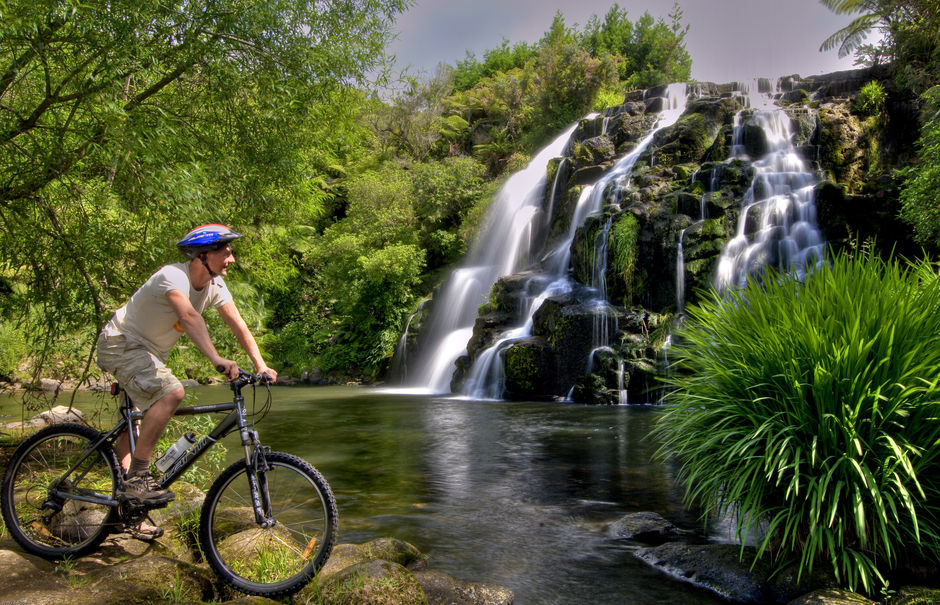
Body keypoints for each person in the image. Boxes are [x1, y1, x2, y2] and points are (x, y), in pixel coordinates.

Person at [96, 224, 278, 507]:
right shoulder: (172, 276)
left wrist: (261, 364)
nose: (232, 259)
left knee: (134, 429)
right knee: (172, 393)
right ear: (203, 255)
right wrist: (217, 359)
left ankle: (127, 512)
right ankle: (138, 478)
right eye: (226, 252)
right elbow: (190, 317)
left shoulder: (215, 286)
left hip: (149, 354)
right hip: (121, 344)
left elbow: (238, 325)